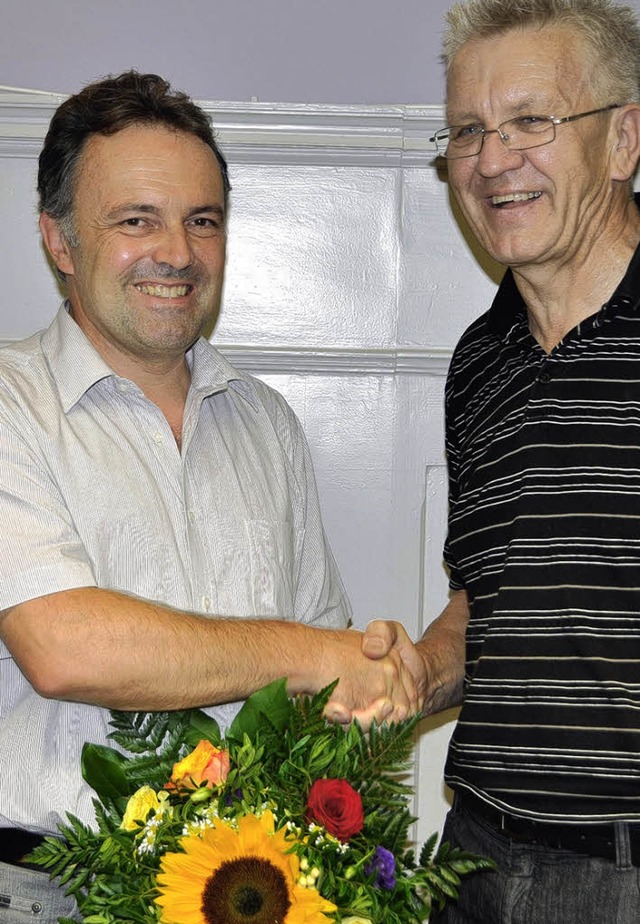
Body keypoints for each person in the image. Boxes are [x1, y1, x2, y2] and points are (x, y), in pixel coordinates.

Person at [0, 71, 421, 923]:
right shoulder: (10, 402)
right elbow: (63, 647)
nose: (179, 253)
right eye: (135, 220)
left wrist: (374, 680)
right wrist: (314, 654)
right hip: (47, 890)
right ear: (58, 239)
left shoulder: (266, 423)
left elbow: (324, 676)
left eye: (203, 220)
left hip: (250, 886)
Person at [363, 0, 640, 920]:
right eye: (470, 130)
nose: (491, 160)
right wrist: (409, 676)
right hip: (473, 860)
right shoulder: (478, 364)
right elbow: (491, 602)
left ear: (623, 138)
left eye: (531, 121)